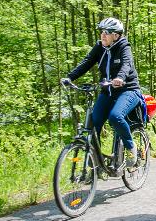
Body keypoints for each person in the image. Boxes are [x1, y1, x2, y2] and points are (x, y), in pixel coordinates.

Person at [61, 17, 144, 171]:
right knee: (94, 123)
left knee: (115, 116)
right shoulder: (99, 47)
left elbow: (126, 64)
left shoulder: (124, 47)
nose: (103, 35)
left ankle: (130, 148)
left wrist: (120, 78)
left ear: (116, 35)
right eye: (101, 32)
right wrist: (70, 77)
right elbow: (86, 62)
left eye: (107, 32)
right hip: (108, 92)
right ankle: (96, 164)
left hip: (128, 90)